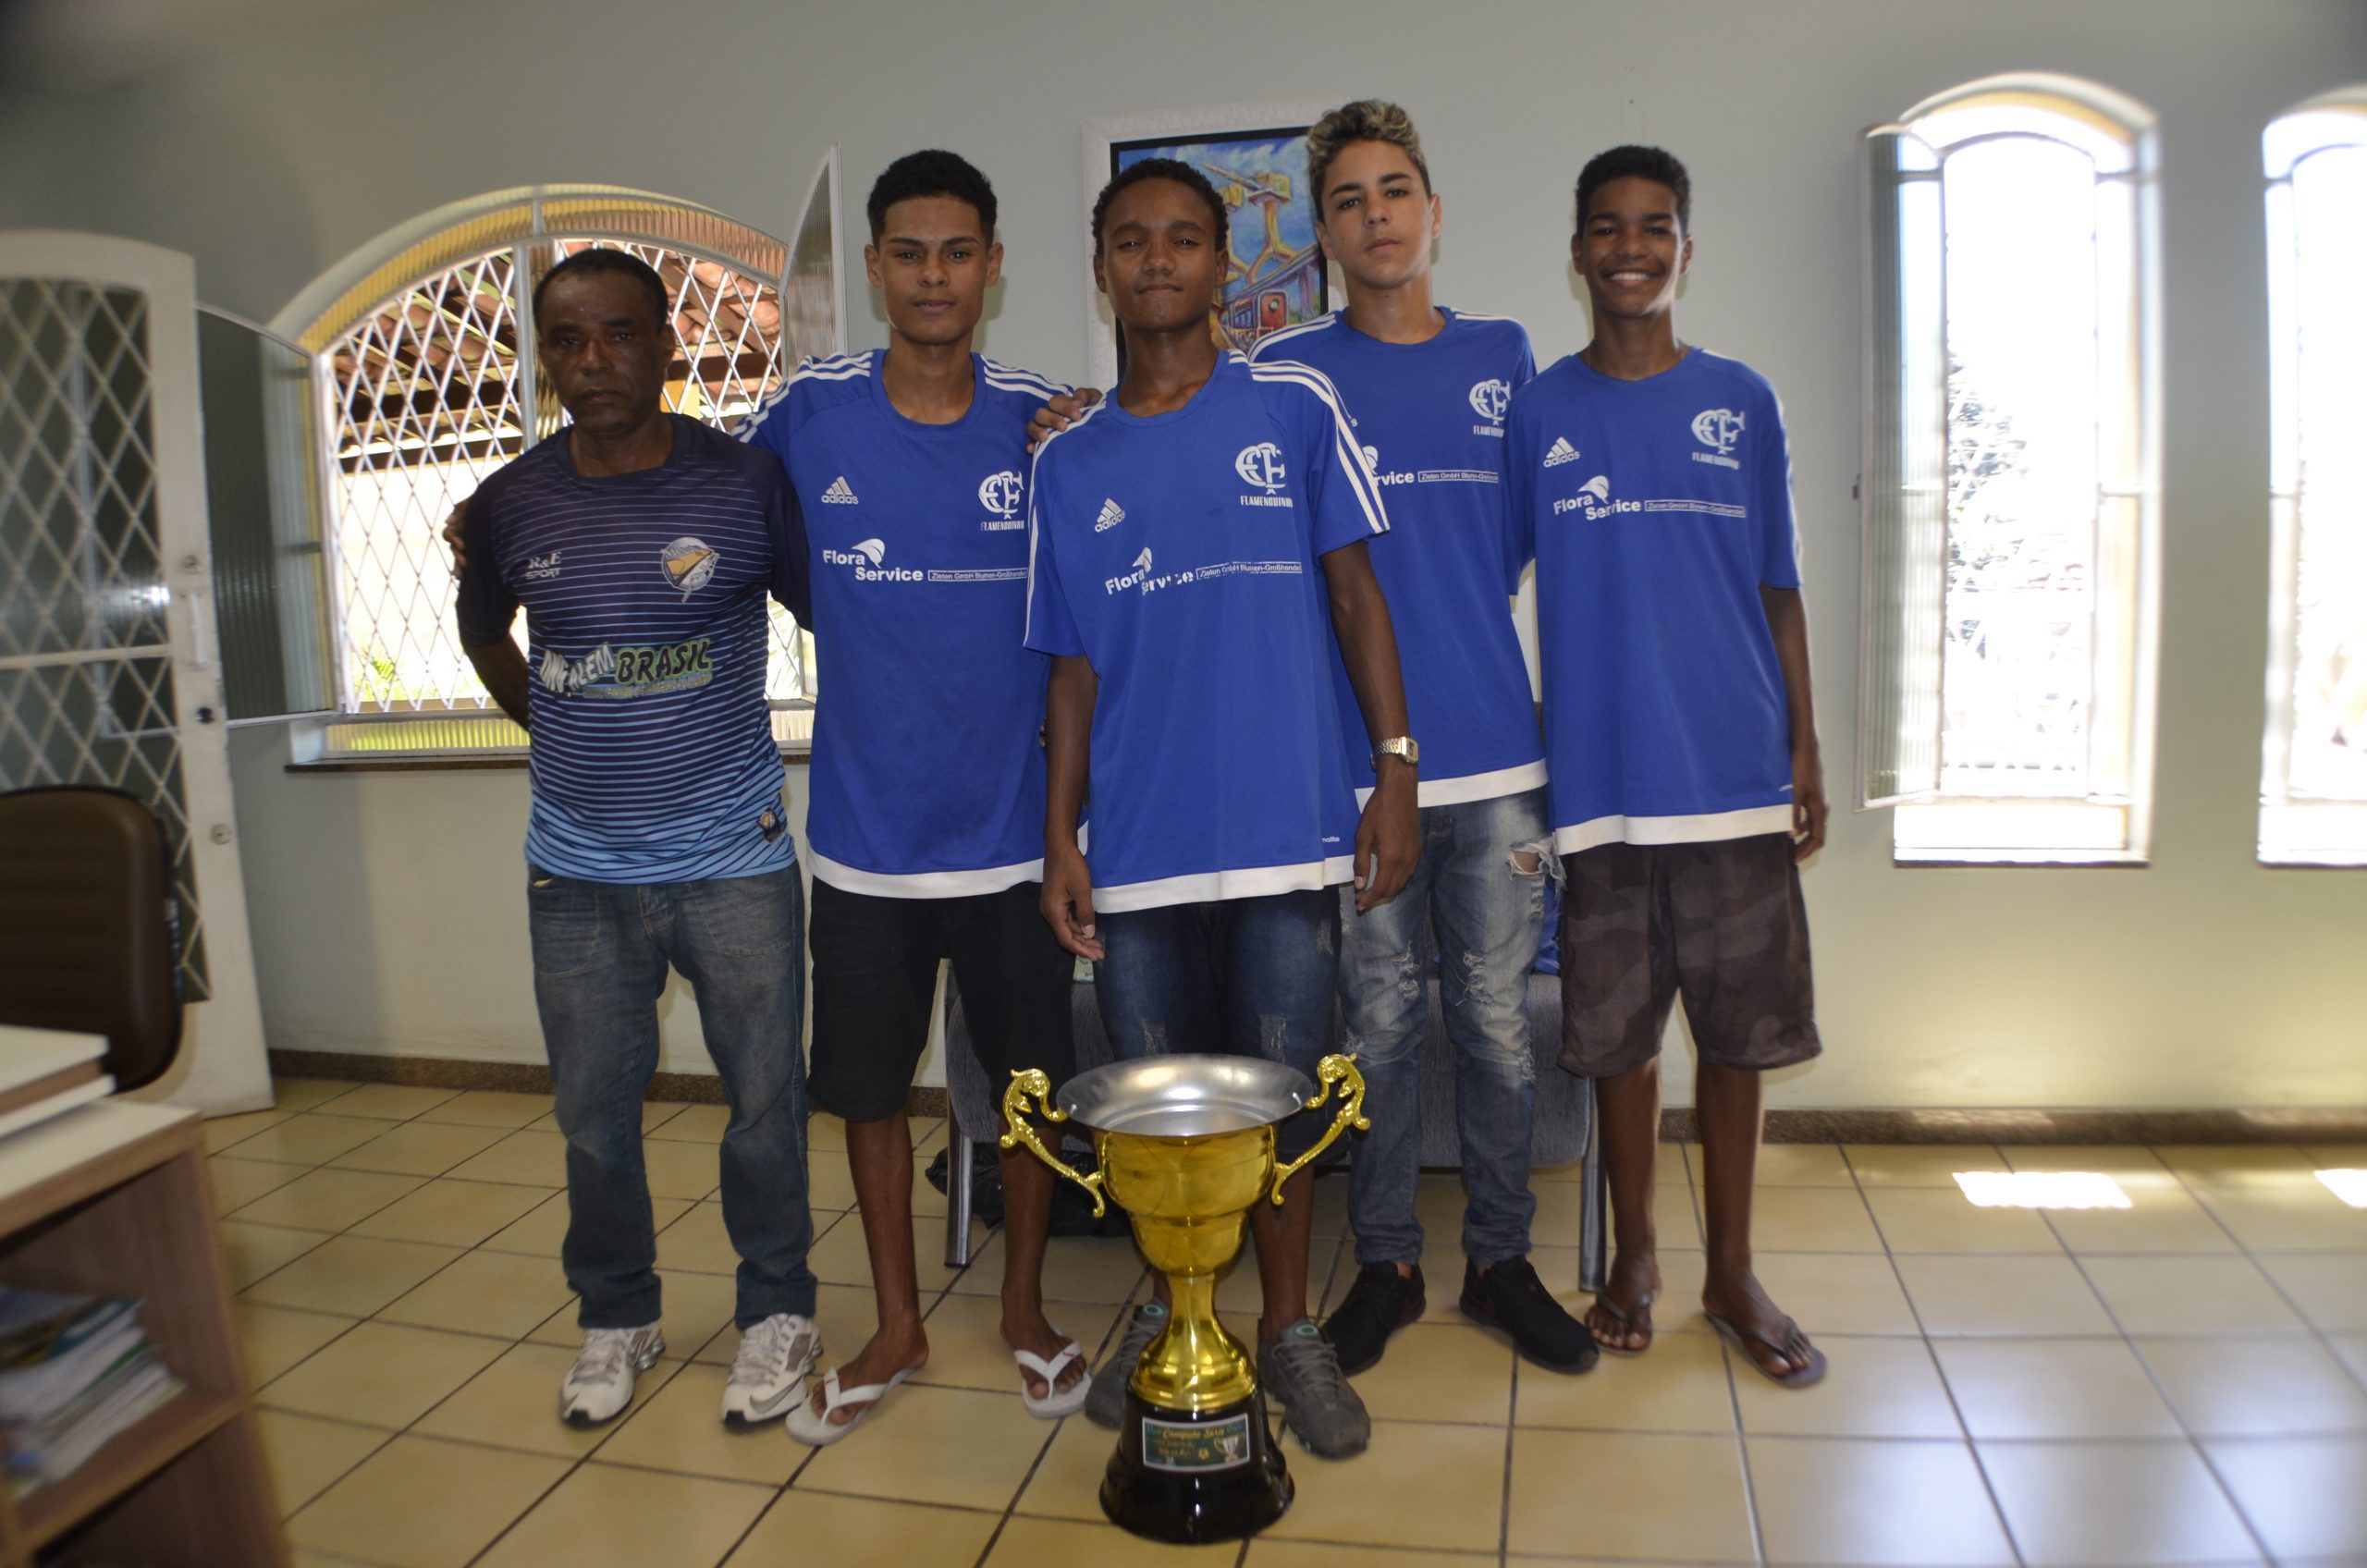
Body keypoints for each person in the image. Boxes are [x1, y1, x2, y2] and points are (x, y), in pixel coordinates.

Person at [1027, 157, 1421, 1460]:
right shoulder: (1069, 462)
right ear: (1100, 271)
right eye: (1131, 242)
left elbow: (1359, 599)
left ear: (1221, 266)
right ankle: (1172, 1303)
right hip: (1136, 852)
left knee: (1288, 1101)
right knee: (1148, 1115)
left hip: (1283, 829)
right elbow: (1072, 666)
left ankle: (1293, 1332)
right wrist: (1059, 836)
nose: (1157, 261)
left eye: (1185, 240)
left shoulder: (1294, 407)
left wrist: (1396, 770)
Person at [733, 150, 1087, 1444]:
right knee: (871, 1096)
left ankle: (1028, 1311)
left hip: (1012, 841)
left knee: (1031, 1092)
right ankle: (895, 1319)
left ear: (993, 267)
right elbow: (716, 513)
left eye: (958, 253)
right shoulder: (809, 414)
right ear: (876, 266)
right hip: (869, 848)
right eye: (909, 253)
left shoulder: (1050, 418)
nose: (933, 277)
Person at [451, 247, 821, 1429]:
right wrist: (549, 723)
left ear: (667, 345)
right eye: (568, 340)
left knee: (765, 1101)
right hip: (577, 872)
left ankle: (777, 1308)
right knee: (592, 1118)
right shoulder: (510, 502)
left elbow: (831, 612)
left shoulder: (745, 484)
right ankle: (617, 1314)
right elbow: (484, 635)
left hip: (733, 855)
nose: (594, 360)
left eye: (619, 334)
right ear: (544, 356)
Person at [1251, 100, 1593, 1377]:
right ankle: (1388, 1262)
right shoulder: (1286, 376)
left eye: (1395, 189)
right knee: (1380, 1027)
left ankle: (1500, 1263)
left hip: (1499, 761)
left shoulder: (1504, 354)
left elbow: (1513, 544)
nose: (1375, 214)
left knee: (1500, 1028)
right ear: (1325, 234)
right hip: (1353, 771)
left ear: (1432, 211)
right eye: (1347, 198)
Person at [1506, 146, 1830, 1387]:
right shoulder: (1539, 412)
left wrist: (1801, 744)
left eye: (1655, 226)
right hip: (1602, 790)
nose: (1631, 245)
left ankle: (1733, 1270)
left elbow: (1780, 590)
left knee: (1739, 1036)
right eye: (1607, 226)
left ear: (1684, 249)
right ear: (1578, 250)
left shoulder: (1741, 401)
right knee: (1622, 1038)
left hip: (1738, 774)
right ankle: (1635, 1254)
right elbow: (1485, 583)